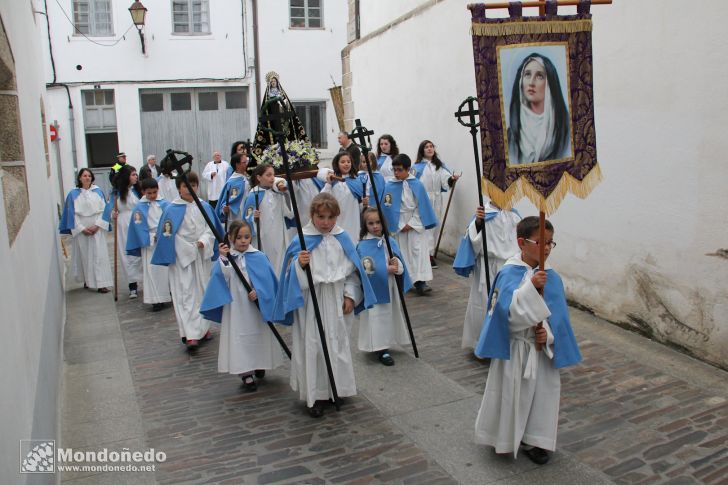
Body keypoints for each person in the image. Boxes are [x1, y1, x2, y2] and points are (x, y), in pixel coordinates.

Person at [473, 216, 581, 465]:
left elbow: (559, 318)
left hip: (541, 351)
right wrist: (530, 288)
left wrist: (548, 335)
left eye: (551, 243)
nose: (546, 248)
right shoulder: (509, 273)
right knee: (511, 395)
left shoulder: (552, 277)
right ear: (522, 242)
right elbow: (505, 315)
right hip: (516, 347)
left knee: (541, 397)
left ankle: (534, 439)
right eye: (541, 242)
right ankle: (503, 435)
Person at [273, 193, 376, 418]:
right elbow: (290, 277)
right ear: (312, 215)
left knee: (337, 345)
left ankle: (336, 389)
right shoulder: (301, 240)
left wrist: (350, 296)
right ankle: (315, 395)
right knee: (313, 347)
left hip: (337, 300)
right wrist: (300, 266)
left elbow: (353, 273)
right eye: (321, 217)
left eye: (330, 217)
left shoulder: (343, 238)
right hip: (311, 302)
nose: (326, 222)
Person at [200, 220, 284, 391]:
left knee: (259, 333)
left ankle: (260, 362)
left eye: (246, 237)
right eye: (239, 237)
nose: (243, 241)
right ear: (230, 238)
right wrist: (223, 258)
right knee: (240, 336)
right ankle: (245, 372)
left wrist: (259, 293)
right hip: (237, 306)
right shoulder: (228, 258)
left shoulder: (259, 256)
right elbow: (221, 278)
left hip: (256, 307)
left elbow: (269, 282)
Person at [151, 172, 223, 350]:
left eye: (193, 185)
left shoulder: (204, 207)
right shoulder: (171, 210)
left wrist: (204, 241)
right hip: (181, 259)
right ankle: (190, 333)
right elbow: (168, 235)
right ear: (179, 188)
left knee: (202, 291)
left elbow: (211, 228)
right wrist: (188, 249)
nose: (190, 189)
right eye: (185, 186)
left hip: (201, 255)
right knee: (185, 295)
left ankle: (203, 328)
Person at [453, 202, 521, 349]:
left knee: (506, 305)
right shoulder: (484, 213)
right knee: (484, 304)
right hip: (487, 266)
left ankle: (504, 344)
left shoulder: (514, 215)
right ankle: (482, 344)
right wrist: (478, 223)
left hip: (508, 268)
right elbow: (473, 239)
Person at [356, 207, 412, 366]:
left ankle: (389, 341)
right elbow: (365, 268)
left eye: (378, 222)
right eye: (371, 223)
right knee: (377, 317)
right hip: (375, 289)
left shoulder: (390, 241)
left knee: (390, 314)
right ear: (365, 225)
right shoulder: (363, 245)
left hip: (390, 286)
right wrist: (384, 269)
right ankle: (381, 348)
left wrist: (397, 264)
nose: (375, 226)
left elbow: (400, 263)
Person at [381, 154, 438, 296]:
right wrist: (400, 224)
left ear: (408, 169)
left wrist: (412, 223)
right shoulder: (389, 185)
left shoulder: (417, 184)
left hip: (415, 225)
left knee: (418, 253)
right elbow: (388, 207)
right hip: (398, 223)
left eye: (399, 170)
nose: (396, 173)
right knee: (401, 253)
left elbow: (422, 206)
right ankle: (402, 281)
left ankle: (421, 282)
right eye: (394, 170)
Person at [507, 53, 571, 165]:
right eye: (527, 74)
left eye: (539, 76)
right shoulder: (511, 134)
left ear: (549, 84)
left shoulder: (565, 130)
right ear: (520, 81)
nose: (531, 83)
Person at [59, 168, 113, 293]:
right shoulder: (73, 194)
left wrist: (97, 225)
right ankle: (87, 281)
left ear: (92, 178)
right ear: (80, 178)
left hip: (97, 228)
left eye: (89, 175)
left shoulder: (98, 192)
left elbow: (104, 210)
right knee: (84, 255)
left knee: (99, 255)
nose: (87, 178)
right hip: (82, 229)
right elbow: (71, 213)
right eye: (84, 175)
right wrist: (81, 228)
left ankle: (101, 283)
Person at [126, 177, 171, 312]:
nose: (152, 196)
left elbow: (170, 220)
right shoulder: (139, 208)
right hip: (150, 243)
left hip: (164, 240)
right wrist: (152, 237)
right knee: (152, 271)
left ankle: (166, 295)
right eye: (149, 193)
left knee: (165, 271)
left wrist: (164, 233)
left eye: (154, 192)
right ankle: (155, 299)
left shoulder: (164, 204)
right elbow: (138, 227)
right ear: (143, 192)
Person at [413, 140, 460, 268]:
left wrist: (451, 179)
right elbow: (412, 184)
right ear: (422, 150)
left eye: (431, 146)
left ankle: (431, 253)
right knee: (425, 227)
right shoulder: (417, 168)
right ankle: (427, 255)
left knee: (435, 227)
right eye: (426, 147)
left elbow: (446, 180)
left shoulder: (439, 166)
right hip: (423, 200)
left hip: (437, 199)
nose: (429, 149)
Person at [243, 163, 293, 274]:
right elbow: (247, 217)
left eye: (273, 175)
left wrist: (286, 195)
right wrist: (253, 218)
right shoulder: (253, 195)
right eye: (268, 175)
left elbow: (289, 213)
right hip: (263, 236)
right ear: (259, 177)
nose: (272, 178)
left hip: (279, 235)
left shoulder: (277, 193)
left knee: (281, 263)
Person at [107, 164, 143, 299]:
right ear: (126, 177)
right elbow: (109, 210)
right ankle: (132, 285)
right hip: (123, 225)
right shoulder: (116, 193)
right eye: (133, 174)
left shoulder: (138, 190)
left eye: (136, 174)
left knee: (140, 253)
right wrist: (113, 215)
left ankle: (143, 280)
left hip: (137, 222)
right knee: (126, 254)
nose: (136, 177)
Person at [318, 152, 366, 242]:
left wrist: (364, 204)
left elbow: (359, 206)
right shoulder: (333, 181)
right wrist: (328, 184)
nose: (346, 164)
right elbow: (322, 198)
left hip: (353, 222)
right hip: (338, 221)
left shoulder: (357, 181)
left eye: (348, 161)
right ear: (337, 164)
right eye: (343, 162)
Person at [216, 152, 250, 224]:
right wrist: (225, 209)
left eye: (247, 161)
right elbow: (229, 201)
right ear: (237, 165)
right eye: (244, 162)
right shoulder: (234, 183)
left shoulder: (244, 177)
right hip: (238, 217)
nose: (247, 164)